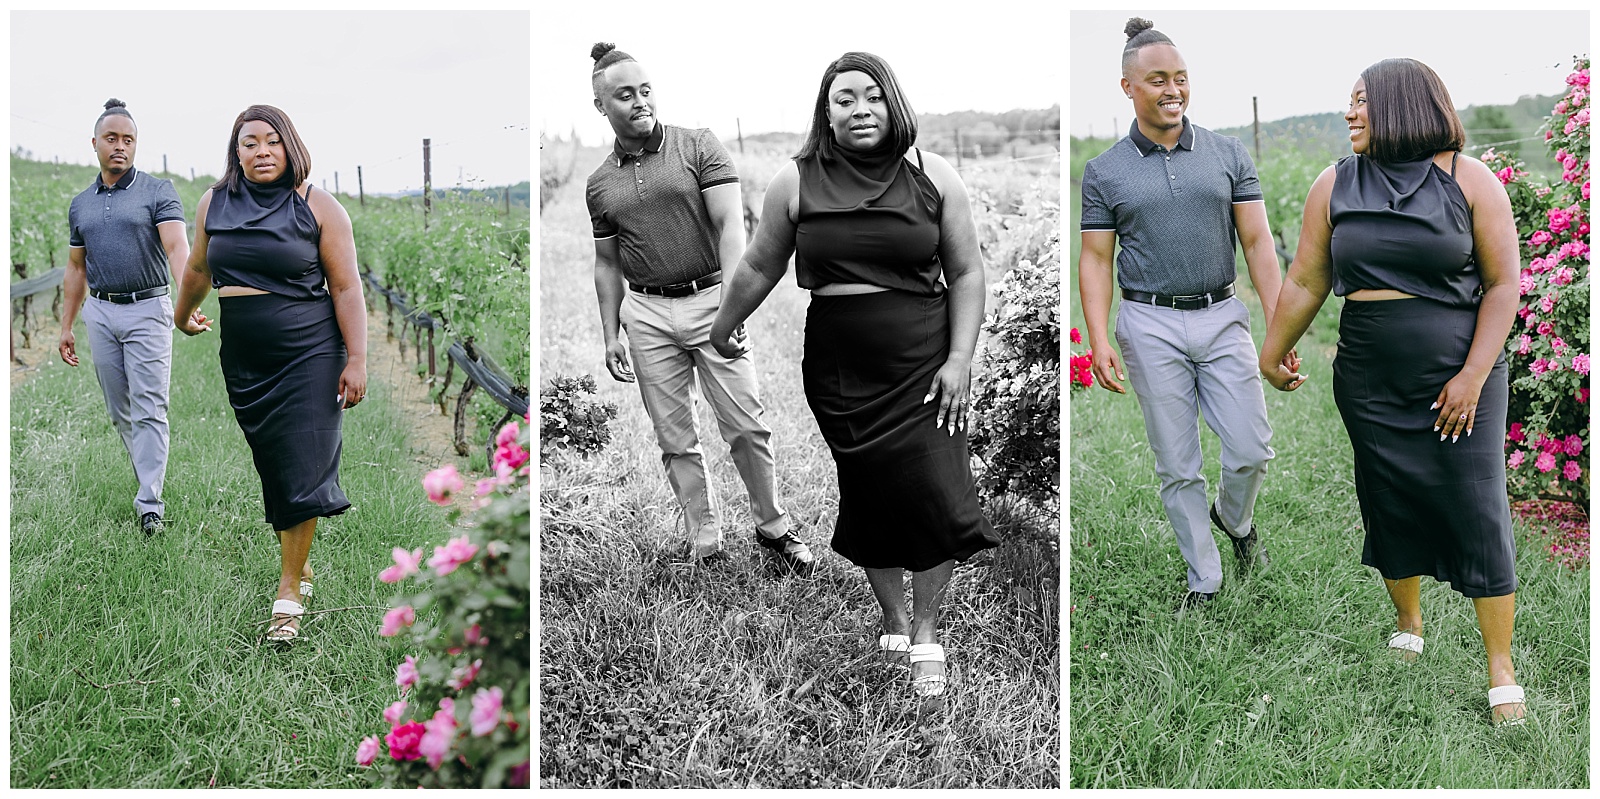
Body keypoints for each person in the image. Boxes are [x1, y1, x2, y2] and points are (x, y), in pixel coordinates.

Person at [710, 51, 1000, 698]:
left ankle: (925, 628)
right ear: (826, 111)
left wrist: (960, 358)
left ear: (892, 102)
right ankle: (892, 614)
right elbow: (760, 266)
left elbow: (969, 273)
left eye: (871, 95)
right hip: (842, 366)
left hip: (926, 361)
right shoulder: (797, 181)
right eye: (844, 99)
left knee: (937, 490)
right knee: (869, 488)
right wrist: (724, 324)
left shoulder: (933, 175)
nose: (860, 108)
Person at [1258, 59, 1525, 725]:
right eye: (1348, 102)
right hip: (1369, 377)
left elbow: (1502, 286)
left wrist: (1471, 375)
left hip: (1461, 377)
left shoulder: (1470, 180)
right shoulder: (1335, 183)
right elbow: (1305, 279)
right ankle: (1409, 619)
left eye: (1361, 102)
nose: (1350, 113)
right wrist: (1271, 348)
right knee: (1389, 497)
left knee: (1478, 507)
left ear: (1403, 105)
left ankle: (1500, 666)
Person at [1078, 18, 1287, 613]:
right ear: (1128, 87)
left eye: (1181, 78)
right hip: (1148, 324)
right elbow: (1095, 259)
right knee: (1177, 462)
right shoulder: (1106, 170)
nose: (1173, 90)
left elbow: (1258, 245)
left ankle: (1236, 519)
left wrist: (1279, 325)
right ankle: (1206, 580)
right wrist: (1100, 337)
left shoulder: (1227, 153)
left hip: (1222, 316)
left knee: (1251, 448)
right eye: (1157, 80)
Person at [584, 42, 811, 572]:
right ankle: (704, 536)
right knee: (674, 437)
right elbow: (606, 263)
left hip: (712, 299)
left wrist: (734, 310)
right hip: (646, 314)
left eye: (645, 90)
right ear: (601, 106)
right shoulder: (599, 184)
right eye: (625, 95)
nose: (640, 101)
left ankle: (773, 526)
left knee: (746, 425)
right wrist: (611, 330)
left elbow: (734, 227)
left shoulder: (698, 145)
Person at [173, 105, 367, 643]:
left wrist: (357, 358)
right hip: (245, 356)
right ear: (235, 151)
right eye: (249, 142)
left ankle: (287, 591)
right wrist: (180, 312)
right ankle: (298, 557)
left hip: (311, 351)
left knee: (302, 464)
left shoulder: (319, 206)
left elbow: (347, 288)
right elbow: (197, 268)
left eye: (272, 141)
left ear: (291, 147)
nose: (261, 151)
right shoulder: (215, 202)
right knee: (275, 462)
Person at [61, 98, 195, 536]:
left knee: (150, 407)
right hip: (100, 312)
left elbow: (178, 249)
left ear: (136, 145)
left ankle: (149, 504)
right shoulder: (80, 204)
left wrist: (185, 305)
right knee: (121, 410)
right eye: (112, 138)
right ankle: (147, 477)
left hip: (148, 310)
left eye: (129, 139)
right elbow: (76, 268)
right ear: (95, 143)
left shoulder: (159, 191)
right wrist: (67, 325)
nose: (120, 146)